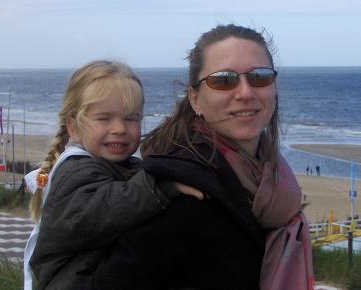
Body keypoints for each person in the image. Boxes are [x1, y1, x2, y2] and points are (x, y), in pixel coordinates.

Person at [93, 25, 315, 290]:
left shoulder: (274, 184)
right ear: (195, 99)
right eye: (223, 79)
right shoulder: (181, 191)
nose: (245, 93)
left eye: (259, 76)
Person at [23, 60, 202, 290]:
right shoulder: (74, 170)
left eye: (131, 118)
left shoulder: (124, 165)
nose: (119, 128)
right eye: (104, 118)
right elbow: (98, 212)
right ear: (73, 127)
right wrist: (159, 185)